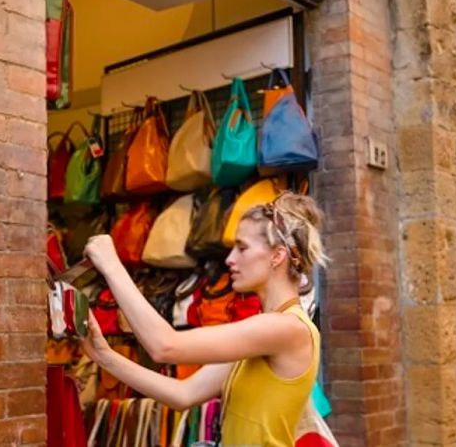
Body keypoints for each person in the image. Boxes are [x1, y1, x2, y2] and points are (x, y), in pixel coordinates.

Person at [81, 191, 328, 446]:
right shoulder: (264, 332)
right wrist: (104, 356)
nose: (230, 259)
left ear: (277, 255)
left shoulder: (287, 328)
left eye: (242, 247)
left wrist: (111, 266)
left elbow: (166, 346)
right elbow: (183, 394)